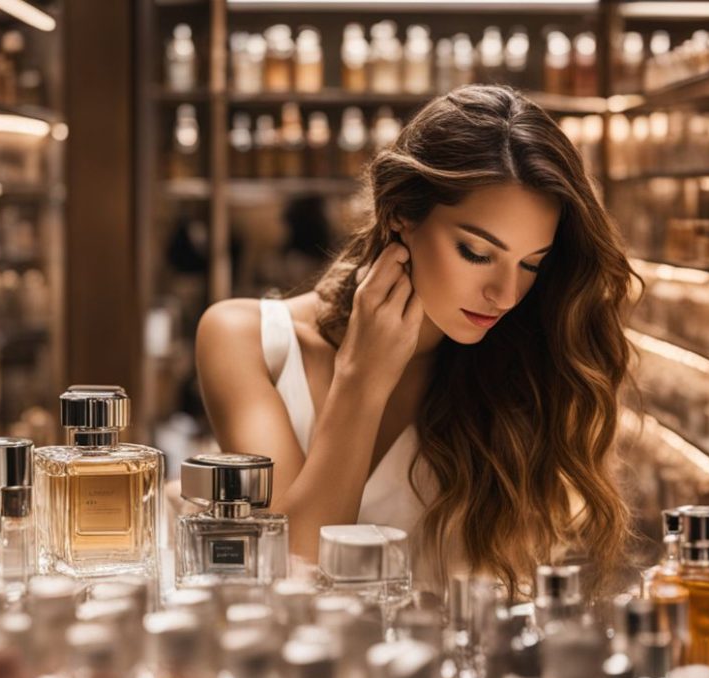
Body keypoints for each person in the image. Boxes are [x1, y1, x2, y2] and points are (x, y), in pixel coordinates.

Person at [195, 85, 637, 595]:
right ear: (399, 214)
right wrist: (361, 380)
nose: (506, 294)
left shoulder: (526, 372)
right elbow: (287, 566)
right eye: (476, 252)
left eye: (531, 264)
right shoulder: (245, 339)